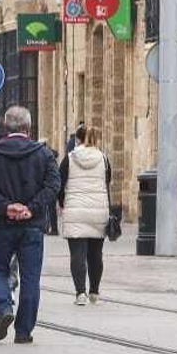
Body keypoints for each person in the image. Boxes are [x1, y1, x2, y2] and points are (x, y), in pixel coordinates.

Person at [0, 105, 61, 344]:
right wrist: (30, 208)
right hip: (32, 225)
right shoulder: (43, 153)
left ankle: (3, 308)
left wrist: (5, 206)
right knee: (31, 278)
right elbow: (53, 185)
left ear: (5, 126)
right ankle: (24, 331)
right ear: (28, 128)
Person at [59, 124, 111, 304]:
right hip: (98, 210)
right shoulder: (103, 159)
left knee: (77, 254)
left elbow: (59, 183)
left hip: (75, 210)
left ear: (78, 140)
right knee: (96, 254)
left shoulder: (70, 158)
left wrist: (62, 203)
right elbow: (107, 182)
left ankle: (80, 293)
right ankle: (94, 292)